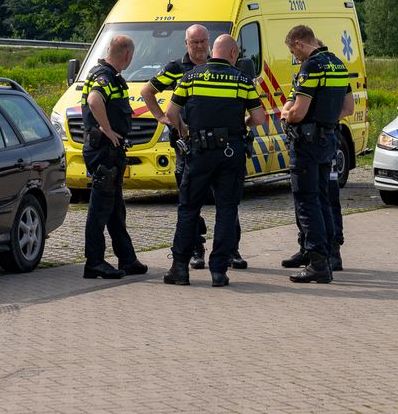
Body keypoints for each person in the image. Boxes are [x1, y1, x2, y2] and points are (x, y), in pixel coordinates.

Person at [162, 35, 267, 287]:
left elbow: (171, 113)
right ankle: (219, 271)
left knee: (189, 208)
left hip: (199, 152)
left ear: (212, 50)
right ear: (233, 54)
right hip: (231, 153)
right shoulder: (242, 80)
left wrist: (184, 130)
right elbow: (259, 118)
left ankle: (180, 268)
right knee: (227, 210)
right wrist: (242, 123)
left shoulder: (191, 78)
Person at [142, 24, 246, 271]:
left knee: (226, 201)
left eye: (203, 41)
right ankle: (197, 248)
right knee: (191, 201)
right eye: (194, 42)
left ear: (209, 42)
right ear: (186, 44)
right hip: (189, 146)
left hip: (222, 146)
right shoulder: (176, 69)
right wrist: (163, 118)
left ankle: (231, 249)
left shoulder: (220, 66)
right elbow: (148, 92)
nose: (199, 46)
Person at [279, 25, 352, 283]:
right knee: (323, 199)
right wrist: (326, 120)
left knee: (307, 202)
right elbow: (348, 107)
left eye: (293, 51)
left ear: (299, 43)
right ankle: (329, 255)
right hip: (328, 140)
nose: (295, 57)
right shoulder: (338, 65)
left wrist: (287, 116)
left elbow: (298, 112)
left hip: (307, 144)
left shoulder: (311, 67)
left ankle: (318, 262)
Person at [81, 34, 148, 280]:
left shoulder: (107, 75)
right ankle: (94, 262)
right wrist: (108, 130)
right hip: (104, 152)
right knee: (100, 209)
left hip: (110, 151)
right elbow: (94, 100)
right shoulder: (105, 77)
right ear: (128, 55)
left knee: (115, 209)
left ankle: (127, 258)